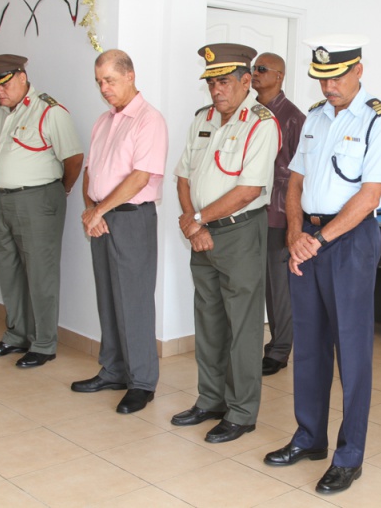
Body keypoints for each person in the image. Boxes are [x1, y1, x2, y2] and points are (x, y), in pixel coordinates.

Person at [263, 35, 381, 494]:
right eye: (322, 80)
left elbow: (370, 196)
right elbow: (295, 181)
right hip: (307, 238)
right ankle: (309, 437)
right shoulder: (316, 117)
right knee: (309, 344)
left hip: (349, 242)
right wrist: (295, 233)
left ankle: (349, 456)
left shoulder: (380, 120)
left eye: (337, 78)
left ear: (358, 70)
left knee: (352, 352)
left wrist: (318, 239)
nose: (329, 87)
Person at [171, 43, 280, 443]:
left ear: (246, 81)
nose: (216, 90)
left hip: (239, 233)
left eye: (225, 82)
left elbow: (249, 190)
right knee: (209, 322)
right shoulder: (203, 119)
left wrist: (198, 220)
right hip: (201, 234)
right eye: (211, 83)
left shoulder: (261, 124)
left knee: (243, 327)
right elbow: (183, 177)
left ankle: (242, 412)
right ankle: (210, 400)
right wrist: (194, 223)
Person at [71, 49, 168, 415]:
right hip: (102, 218)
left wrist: (100, 209)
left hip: (131, 218)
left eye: (109, 80)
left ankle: (142, 382)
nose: (104, 88)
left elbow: (140, 177)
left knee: (134, 300)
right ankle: (113, 370)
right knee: (108, 297)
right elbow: (91, 172)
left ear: (130, 76)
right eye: (99, 82)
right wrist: (91, 210)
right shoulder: (104, 121)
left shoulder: (149, 120)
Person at [0, 54, 83, 367]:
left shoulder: (49, 111)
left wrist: (60, 190)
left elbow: (74, 159)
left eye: (4, 84)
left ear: (23, 77)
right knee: (9, 271)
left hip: (37, 200)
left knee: (41, 274)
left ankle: (44, 343)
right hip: (1, 199)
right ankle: (16, 335)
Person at [250, 52, 305, 376]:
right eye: (253, 69)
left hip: (278, 213)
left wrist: (293, 223)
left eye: (262, 69)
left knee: (277, 286)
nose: (254, 73)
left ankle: (280, 349)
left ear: (279, 76)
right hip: (247, 210)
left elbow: (301, 174)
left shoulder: (294, 118)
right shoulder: (249, 111)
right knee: (249, 282)